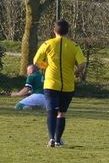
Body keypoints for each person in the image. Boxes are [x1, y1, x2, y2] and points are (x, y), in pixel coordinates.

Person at [33, 20, 86, 148]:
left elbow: (36, 61)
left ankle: (51, 138)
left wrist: (47, 66)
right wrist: (77, 72)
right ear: (68, 31)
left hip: (51, 84)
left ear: (54, 30)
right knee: (61, 113)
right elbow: (82, 64)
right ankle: (58, 140)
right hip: (67, 85)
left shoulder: (48, 44)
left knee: (51, 111)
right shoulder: (74, 46)